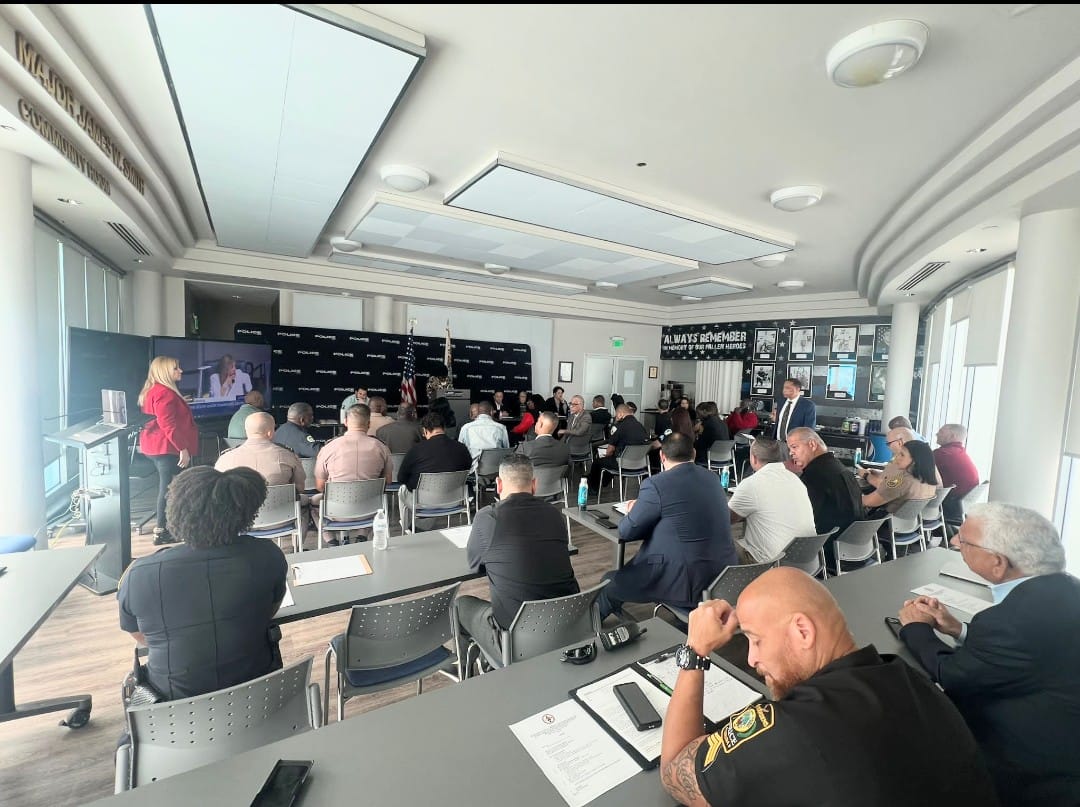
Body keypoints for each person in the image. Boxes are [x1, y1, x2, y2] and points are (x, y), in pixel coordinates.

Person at [659, 568, 997, 807]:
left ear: (803, 632)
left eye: (755, 640)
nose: (751, 659)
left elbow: (675, 769)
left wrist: (696, 650)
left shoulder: (794, 729)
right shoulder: (907, 677)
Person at [898, 503, 1080, 805]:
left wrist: (916, 628)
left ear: (998, 563)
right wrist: (959, 629)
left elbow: (952, 675)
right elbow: (1024, 652)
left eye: (964, 541)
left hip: (1032, 770)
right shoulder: (1066, 588)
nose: (954, 542)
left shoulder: (1010, 621)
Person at [118, 466, 287, 701]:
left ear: (175, 510)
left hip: (172, 710)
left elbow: (139, 634)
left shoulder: (139, 574)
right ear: (247, 512)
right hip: (260, 697)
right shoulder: (268, 555)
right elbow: (270, 610)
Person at [595, 433, 737, 620]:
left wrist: (633, 510)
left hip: (683, 580)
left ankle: (587, 630)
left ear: (662, 455)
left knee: (609, 583)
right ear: (694, 453)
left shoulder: (656, 484)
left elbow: (626, 531)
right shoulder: (713, 478)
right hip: (723, 576)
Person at [455, 454, 580, 665]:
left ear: (499, 484)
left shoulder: (488, 518)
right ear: (534, 485)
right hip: (567, 626)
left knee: (460, 605)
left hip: (515, 643)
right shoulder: (555, 514)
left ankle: (469, 668)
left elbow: (475, 564)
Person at [138, 356, 198, 545]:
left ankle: (171, 528)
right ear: (165, 372)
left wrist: (180, 404)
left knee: (173, 487)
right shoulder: (166, 394)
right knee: (172, 488)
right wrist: (183, 448)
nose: (180, 371)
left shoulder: (154, 390)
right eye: (176, 368)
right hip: (167, 448)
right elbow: (168, 424)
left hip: (154, 446)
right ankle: (162, 531)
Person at [728, 437, 816, 564]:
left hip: (771, 564)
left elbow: (726, 519)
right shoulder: (796, 480)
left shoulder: (752, 483)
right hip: (805, 563)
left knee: (717, 542)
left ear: (754, 458)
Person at [785, 427, 865, 564]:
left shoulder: (813, 477)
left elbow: (803, 522)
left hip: (826, 554)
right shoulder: (842, 469)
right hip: (856, 548)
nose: (791, 453)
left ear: (812, 444)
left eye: (794, 447)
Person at [397, 412, 473, 529]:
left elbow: (401, 478)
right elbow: (467, 468)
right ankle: (423, 525)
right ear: (444, 428)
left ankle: (408, 528)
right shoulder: (461, 448)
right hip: (455, 500)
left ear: (425, 430)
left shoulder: (417, 450)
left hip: (422, 502)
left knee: (402, 489)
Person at [215, 412, 306, 497]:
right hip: (282, 508)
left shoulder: (224, 458)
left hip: (241, 509)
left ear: (246, 432)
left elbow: (219, 492)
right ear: (270, 433)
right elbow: (300, 488)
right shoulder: (288, 455)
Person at [314, 404, 393, 502]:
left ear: (345, 422)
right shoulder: (382, 447)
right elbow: (388, 481)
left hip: (336, 508)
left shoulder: (329, 447)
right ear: (369, 424)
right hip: (372, 507)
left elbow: (320, 486)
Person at [859, 439, 938, 514]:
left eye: (902, 455)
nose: (897, 457)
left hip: (884, 520)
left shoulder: (902, 480)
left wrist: (853, 499)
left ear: (914, 461)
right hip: (909, 521)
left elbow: (868, 502)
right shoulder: (929, 481)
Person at [586, 403, 650, 494]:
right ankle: (602, 482)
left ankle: (593, 489)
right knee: (609, 461)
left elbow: (610, 449)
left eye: (616, 415)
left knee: (598, 462)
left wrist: (606, 455)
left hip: (622, 464)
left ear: (620, 414)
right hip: (640, 465)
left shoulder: (619, 426)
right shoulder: (641, 426)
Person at [933, 423, 980, 522]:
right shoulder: (960, 452)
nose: (936, 434)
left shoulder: (942, 454)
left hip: (950, 505)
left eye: (941, 432)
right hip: (963, 505)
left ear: (952, 436)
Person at [457, 400, 509, 467]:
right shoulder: (501, 428)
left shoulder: (466, 428)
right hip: (496, 468)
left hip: (473, 469)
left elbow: (460, 451)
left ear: (478, 412)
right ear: (491, 412)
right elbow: (506, 451)